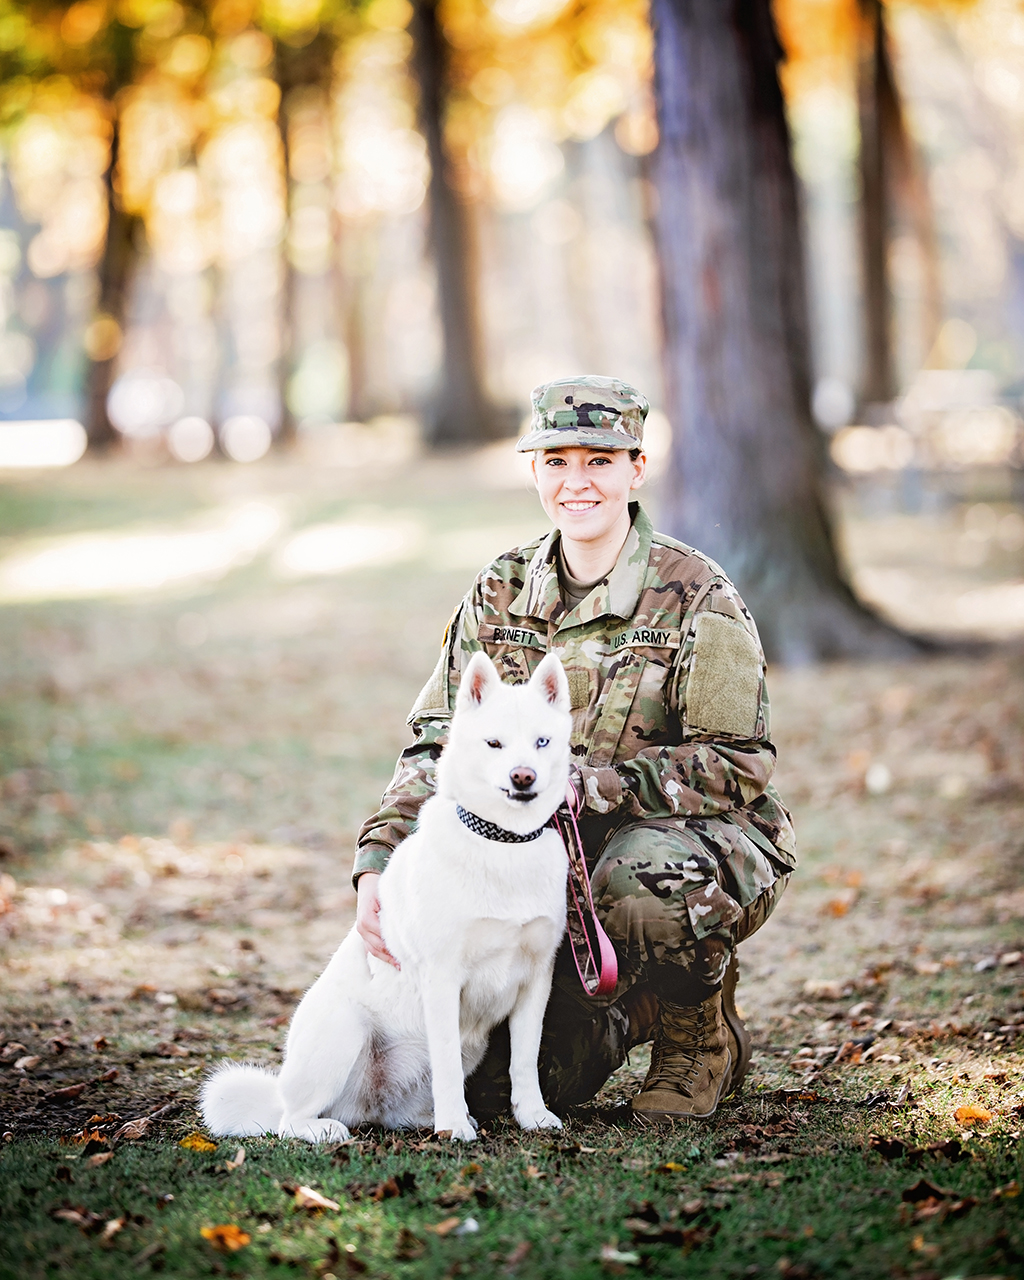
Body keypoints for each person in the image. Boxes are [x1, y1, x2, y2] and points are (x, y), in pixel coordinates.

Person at [352, 375, 796, 1121]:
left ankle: (700, 1035)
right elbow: (438, 743)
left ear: (636, 469)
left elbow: (742, 765)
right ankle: (631, 1008)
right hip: (537, 874)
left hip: (688, 850)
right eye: (556, 460)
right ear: (534, 471)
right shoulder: (499, 592)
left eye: (599, 460)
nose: (576, 482)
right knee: (500, 1095)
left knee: (643, 878)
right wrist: (378, 861)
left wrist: (600, 787)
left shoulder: (697, 595)